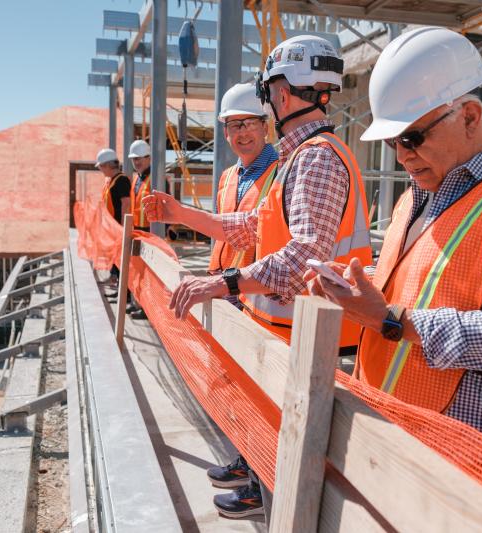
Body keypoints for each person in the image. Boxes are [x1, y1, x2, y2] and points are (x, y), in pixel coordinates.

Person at [306, 27, 482, 460]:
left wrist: (390, 319)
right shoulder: (416, 196)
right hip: (393, 435)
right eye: (392, 142)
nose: (401, 155)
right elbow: (425, 287)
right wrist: (361, 289)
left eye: (411, 138)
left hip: (468, 460)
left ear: (470, 116)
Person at [143, 35, 372, 520]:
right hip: (285, 327)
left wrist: (224, 282)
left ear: (283, 94)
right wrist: (183, 212)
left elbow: (306, 253)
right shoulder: (299, 157)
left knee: (287, 448)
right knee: (268, 429)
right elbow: (250, 228)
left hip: (306, 334)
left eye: (267, 93)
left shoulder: (315, 158)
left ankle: (268, 499)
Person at [140, 81, 279, 514]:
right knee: (231, 386)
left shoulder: (281, 174)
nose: (240, 134)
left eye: (248, 124)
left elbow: (258, 233)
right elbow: (222, 229)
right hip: (224, 291)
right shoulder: (230, 176)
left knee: (259, 392)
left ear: (266, 125)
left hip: (257, 297)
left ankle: (261, 485)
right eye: (231, 126)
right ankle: (247, 458)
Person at [95, 148, 131, 290]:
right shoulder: (111, 181)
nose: (101, 170)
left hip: (118, 229)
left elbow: (126, 205)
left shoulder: (121, 180)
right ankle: (116, 283)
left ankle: (124, 293)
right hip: (112, 228)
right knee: (116, 258)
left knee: (121, 260)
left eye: (101, 167)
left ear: (109, 165)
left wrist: (122, 229)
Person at [126, 139, 152, 319]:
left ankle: (147, 309)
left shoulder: (155, 178)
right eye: (134, 159)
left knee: (148, 274)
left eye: (140, 159)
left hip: (151, 232)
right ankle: (141, 304)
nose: (137, 162)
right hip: (138, 231)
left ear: (149, 158)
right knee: (139, 272)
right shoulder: (137, 179)